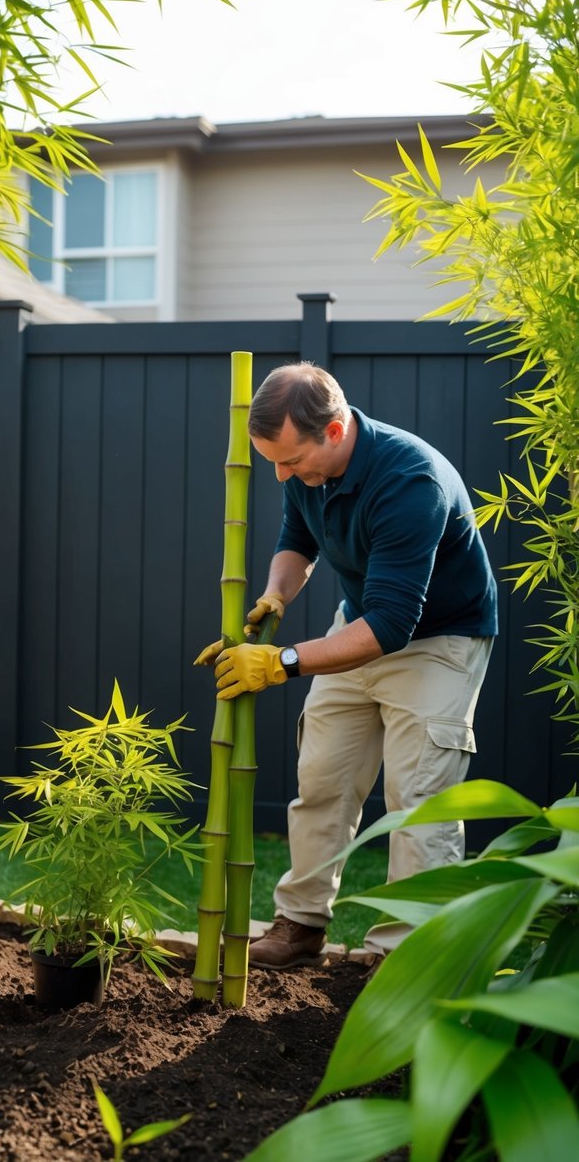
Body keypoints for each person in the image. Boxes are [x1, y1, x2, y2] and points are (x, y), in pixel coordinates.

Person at [195, 362, 497, 971]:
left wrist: (280, 661)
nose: (281, 474)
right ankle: (301, 924)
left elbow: (392, 627)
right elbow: (297, 542)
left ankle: (407, 958)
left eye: (289, 460)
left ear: (334, 432)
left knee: (418, 801)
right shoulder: (306, 468)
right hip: (356, 626)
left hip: (438, 641)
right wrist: (278, 593)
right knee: (323, 780)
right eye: (271, 461)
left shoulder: (411, 481)